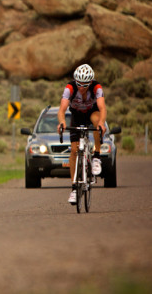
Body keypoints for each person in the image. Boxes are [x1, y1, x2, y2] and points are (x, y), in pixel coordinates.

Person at [58, 64, 107, 204]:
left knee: (97, 122)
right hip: (77, 116)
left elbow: (102, 107)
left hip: (92, 113)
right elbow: (62, 110)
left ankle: (96, 156)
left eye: (84, 85)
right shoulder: (70, 88)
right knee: (74, 150)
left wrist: (102, 123)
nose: (81, 87)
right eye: (78, 84)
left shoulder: (97, 88)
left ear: (90, 82)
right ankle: (74, 189)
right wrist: (61, 122)